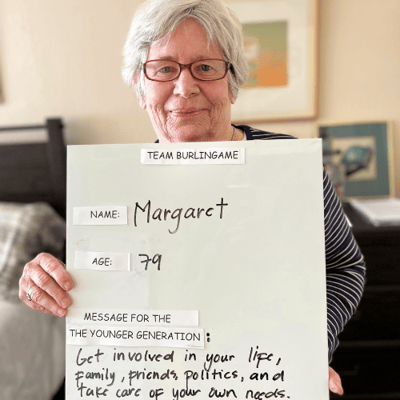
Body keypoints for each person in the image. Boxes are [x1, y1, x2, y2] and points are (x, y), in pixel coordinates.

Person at [19, 0, 365, 395]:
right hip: (149, 382)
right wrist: (42, 284)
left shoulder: (290, 169)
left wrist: (308, 346)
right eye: (164, 68)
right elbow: (82, 286)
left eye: (205, 67)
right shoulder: (112, 186)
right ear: (139, 85)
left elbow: (344, 267)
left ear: (232, 83)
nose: (185, 87)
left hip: (266, 379)